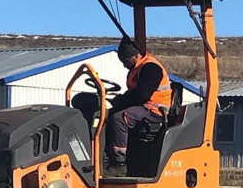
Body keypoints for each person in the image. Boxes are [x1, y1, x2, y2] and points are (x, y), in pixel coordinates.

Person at [71, 37, 172, 172]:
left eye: (126, 61)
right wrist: (119, 100)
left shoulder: (151, 67)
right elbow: (135, 95)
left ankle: (119, 163)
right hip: (143, 107)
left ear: (136, 56)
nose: (125, 65)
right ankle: (102, 157)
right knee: (106, 116)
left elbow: (143, 94)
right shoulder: (138, 67)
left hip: (155, 110)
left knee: (121, 118)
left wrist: (121, 100)